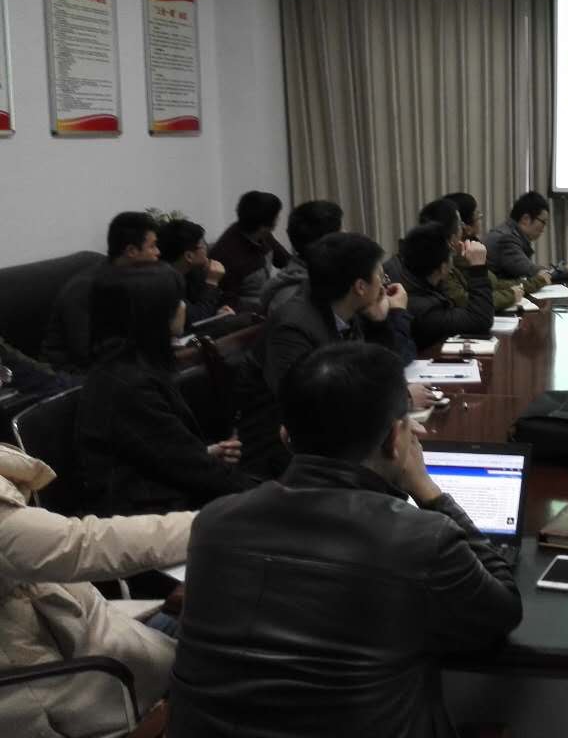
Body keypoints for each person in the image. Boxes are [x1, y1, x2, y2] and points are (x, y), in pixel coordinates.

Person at [168, 343, 523, 738]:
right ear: (396, 438)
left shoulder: (213, 523)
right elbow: (502, 610)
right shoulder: (421, 539)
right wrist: (429, 492)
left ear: (286, 436)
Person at [0, 444, 192, 737]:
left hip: (94, 634)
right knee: (231, 652)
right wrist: (219, 524)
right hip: (91, 685)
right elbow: (84, 544)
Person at [234, 232, 423, 479]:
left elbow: (373, 373)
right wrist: (393, 410)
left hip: (333, 437)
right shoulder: (292, 328)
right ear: (360, 287)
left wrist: (379, 323)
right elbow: (313, 408)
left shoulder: (345, 309)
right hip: (283, 454)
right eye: (380, 276)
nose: (384, 285)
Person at [75, 265, 251, 518]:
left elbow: (164, 451)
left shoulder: (132, 367)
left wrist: (203, 453)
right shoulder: (128, 385)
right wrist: (263, 496)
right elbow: (185, 466)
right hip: (149, 515)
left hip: (164, 492)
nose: (183, 307)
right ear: (153, 314)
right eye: (177, 302)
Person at [42, 211, 161, 370]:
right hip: (70, 372)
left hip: (117, 364)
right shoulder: (84, 289)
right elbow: (85, 353)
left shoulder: (136, 279)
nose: (158, 252)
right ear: (132, 251)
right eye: (152, 246)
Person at [387, 221, 494, 348]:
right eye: (451, 252)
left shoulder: (417, 275)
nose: (454, 252)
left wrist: (462, 260)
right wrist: (478, 268)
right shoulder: (423, 311)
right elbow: (480, 320)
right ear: (443, 268)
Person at [419, 197, 530, 311]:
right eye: (460, 224)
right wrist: (477, 266)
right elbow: (469, 303)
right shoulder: (439, 265)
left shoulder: (458, 255)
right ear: (451, 236)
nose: (463, 227)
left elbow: (491, 284)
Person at [209, 190, 291, 311]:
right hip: (249, 314)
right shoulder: (227, 254)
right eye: (277, 217)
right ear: (263, 226)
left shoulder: (262, 234)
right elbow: (228, 304)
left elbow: (286, 261)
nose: (278, 220)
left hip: (268, 302)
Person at [259, 199, 344, 314]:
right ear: (326, 246)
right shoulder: (291, 300)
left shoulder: (331, 279)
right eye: (341, 232)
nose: (346, 234)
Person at [483, 190, 568, 283]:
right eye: (543, 222)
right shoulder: (506, 239)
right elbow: (536, 274)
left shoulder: (508, 232)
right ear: (526, 219)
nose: (543, 228)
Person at [157, 218, 231, 325]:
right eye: (203, 244)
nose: (207, 248)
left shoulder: (192, 271)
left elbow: (205, 308)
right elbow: (194, 319)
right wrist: (212, 283)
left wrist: (218, 312)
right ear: (189, 256)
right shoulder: (165, 283)